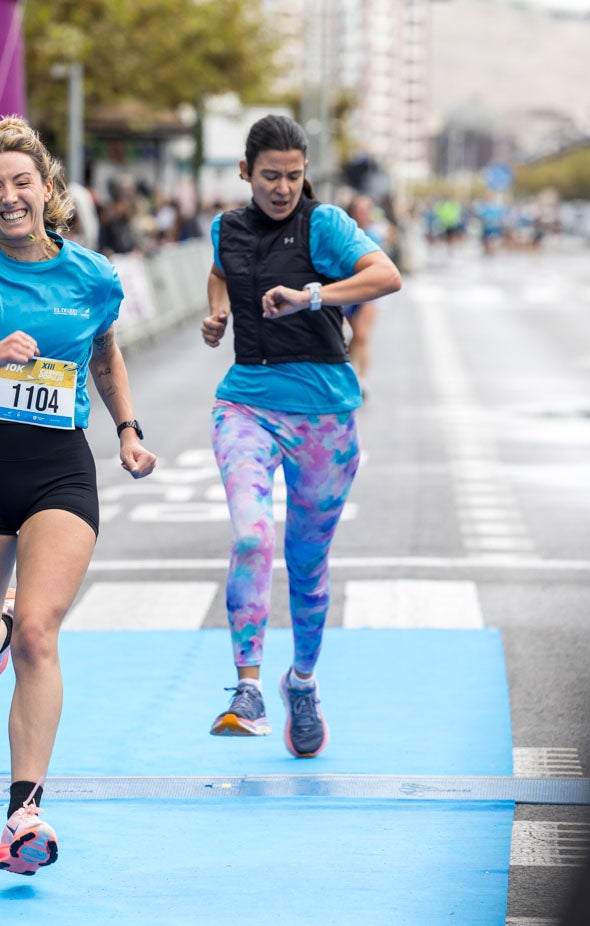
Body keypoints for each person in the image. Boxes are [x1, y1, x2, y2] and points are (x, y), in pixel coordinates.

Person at [0, 116, 156, 876]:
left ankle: (23, 813)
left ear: (48, 190)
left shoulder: (92, 275)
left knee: (43, 630)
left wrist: (128, 430)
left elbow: (103, 349)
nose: (9, 197)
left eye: (21, 183)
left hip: (58, 466)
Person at [200, 115, 401, 758]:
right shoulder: (225, 228)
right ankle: (248, 689)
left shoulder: (326, 224)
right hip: (246, 405)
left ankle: (304, 683)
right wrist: (218, 311)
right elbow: (218, 271)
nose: (283, 187)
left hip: (324, 415)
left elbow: (385, 276)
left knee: (308, 564)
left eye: (293, 175)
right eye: (270, 176)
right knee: (252, 534)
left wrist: (314, 296)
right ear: (244, 173)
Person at [341, 194, 395, 397]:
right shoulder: (345, 231)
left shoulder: (378, 229)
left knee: (362, 335)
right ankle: (349, 373)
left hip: (371, 291)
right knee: (346, 336)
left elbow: (392, 240)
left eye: (366, 210)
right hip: (349, 289)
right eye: (359, 210)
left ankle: (362, 380)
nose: (363, 213)